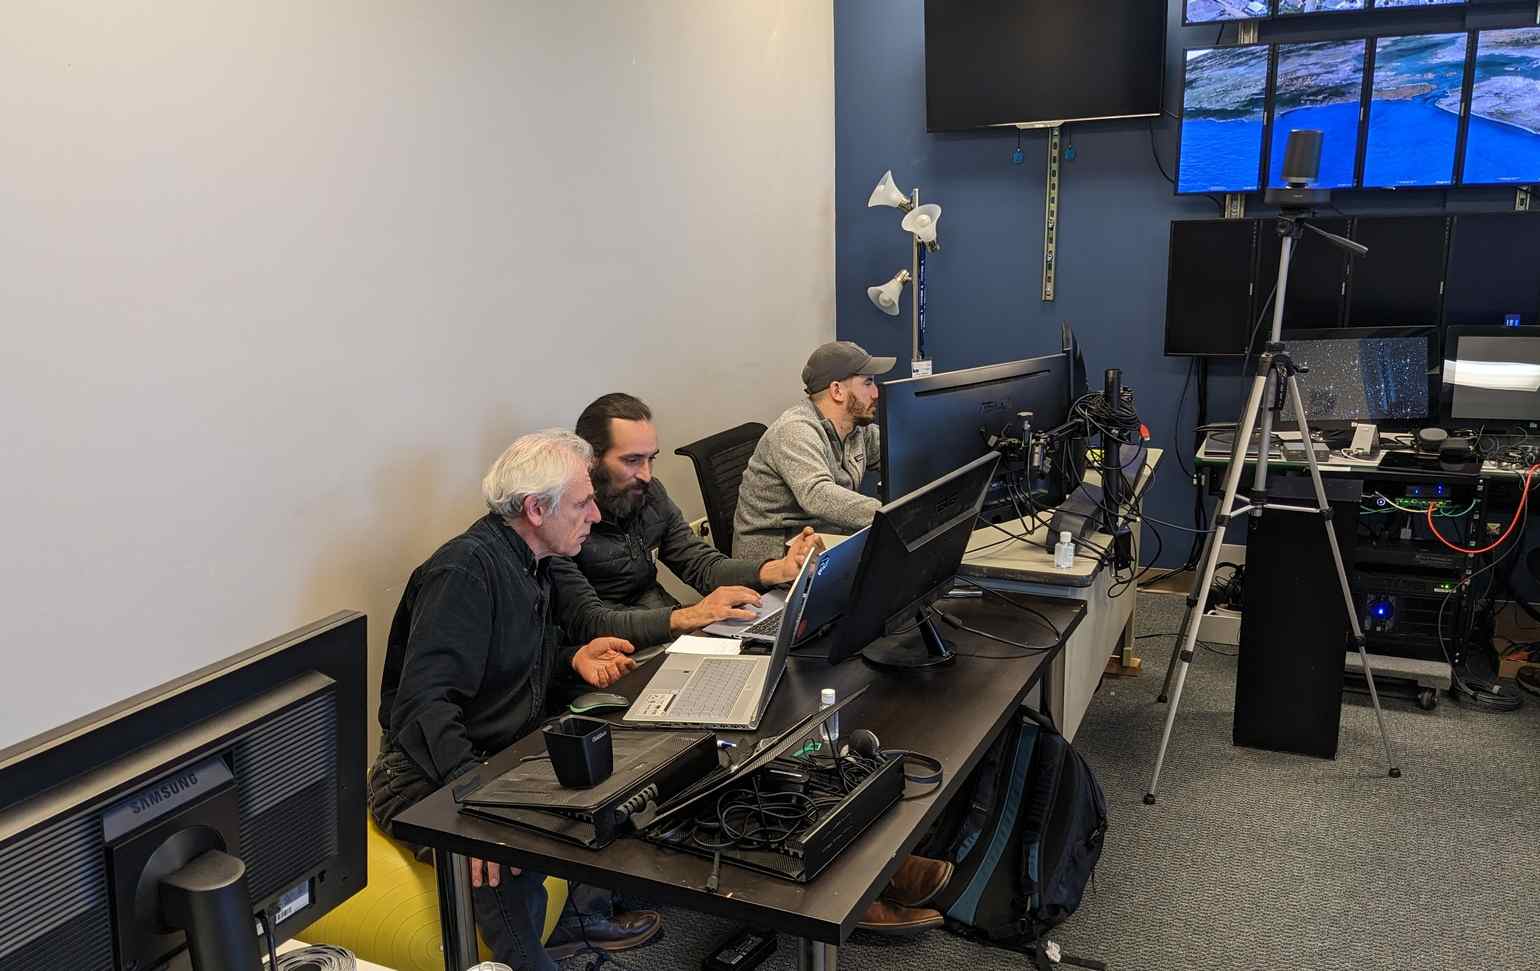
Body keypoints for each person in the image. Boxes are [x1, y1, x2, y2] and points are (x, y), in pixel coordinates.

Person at [367, 430, 660, 970]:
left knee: (614, 762)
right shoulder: (465, 570)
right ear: (534, 508)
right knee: (503, 857)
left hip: (490, 753)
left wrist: (570, 658)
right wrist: (473, 802)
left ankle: (578, 918)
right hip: (423, 774)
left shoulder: (530, 562)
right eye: (582, 503)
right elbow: (424, 706)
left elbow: (501, 667)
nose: (594, 515)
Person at [552, 393, 822, 648]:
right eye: (632, 460)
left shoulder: (648, 494)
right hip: (612, 652)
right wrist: (689, 616)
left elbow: (700, 564)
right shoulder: (561, 522)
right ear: (591, 460)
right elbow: (589, 622)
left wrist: (777, 570)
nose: (646, 475)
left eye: (650, 459)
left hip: (664, 629)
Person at [733, 340, 895, 562]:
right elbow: (818, 494)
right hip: (777, 562)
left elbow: (899, 450)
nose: (876, 393)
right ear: (837, 390)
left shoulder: (856, 428)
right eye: (867, 383)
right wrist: (895, 515)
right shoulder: (795, 430)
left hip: (826, 542)